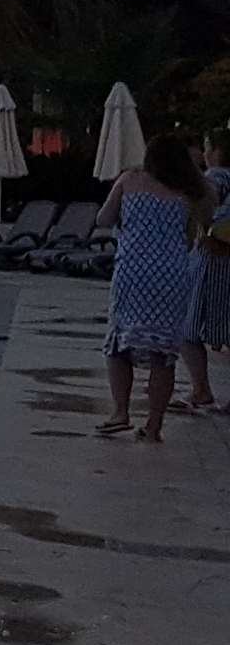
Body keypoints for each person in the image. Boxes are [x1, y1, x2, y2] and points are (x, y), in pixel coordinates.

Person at [98, 132, 215, 442]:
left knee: (118, 344)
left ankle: (120, 412)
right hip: (172, 277)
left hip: (133, 272)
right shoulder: (189, 193)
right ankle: (153, 426)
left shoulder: (129, 180)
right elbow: (192, 236)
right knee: (162, 353)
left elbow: (103, 218)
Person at [177, 129, 230, 416]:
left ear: (217, 151)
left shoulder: (215, 177)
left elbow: (198, 208)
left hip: (213, 261)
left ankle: (201, 389)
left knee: (189, 327)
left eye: (207, 146)